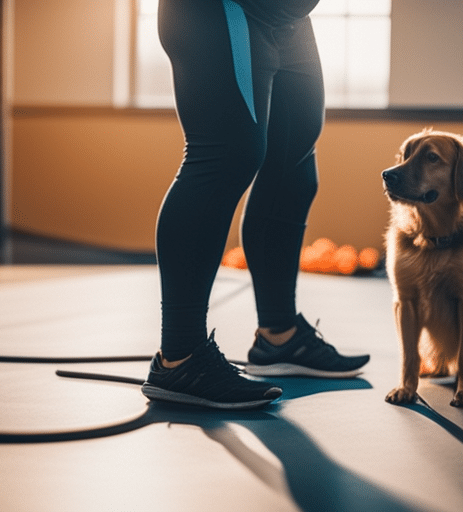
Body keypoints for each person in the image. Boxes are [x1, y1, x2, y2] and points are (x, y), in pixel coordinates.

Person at [141, 0, 370, 410]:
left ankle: (279, 336)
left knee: (294, 162)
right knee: (226, 154)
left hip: (290, 19)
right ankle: (180, 356)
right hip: (222, 10)